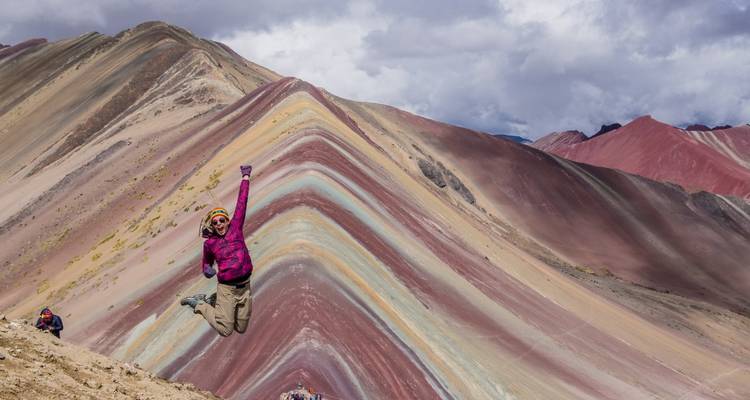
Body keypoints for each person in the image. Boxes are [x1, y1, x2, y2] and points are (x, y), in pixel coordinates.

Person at [181, 165, 254, 337]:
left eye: (222, 220)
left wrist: (245, 177)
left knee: (241, 329)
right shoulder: (210, 244)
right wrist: (208, 270)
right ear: (212, 226)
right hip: (227, 289)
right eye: (215, 222)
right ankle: (199, 304)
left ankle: (214, 300)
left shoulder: (236, 229)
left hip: (245, 288)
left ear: (228, 221)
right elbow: (206, 263)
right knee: (225, 330)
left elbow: (242, 203)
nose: (219, 224)